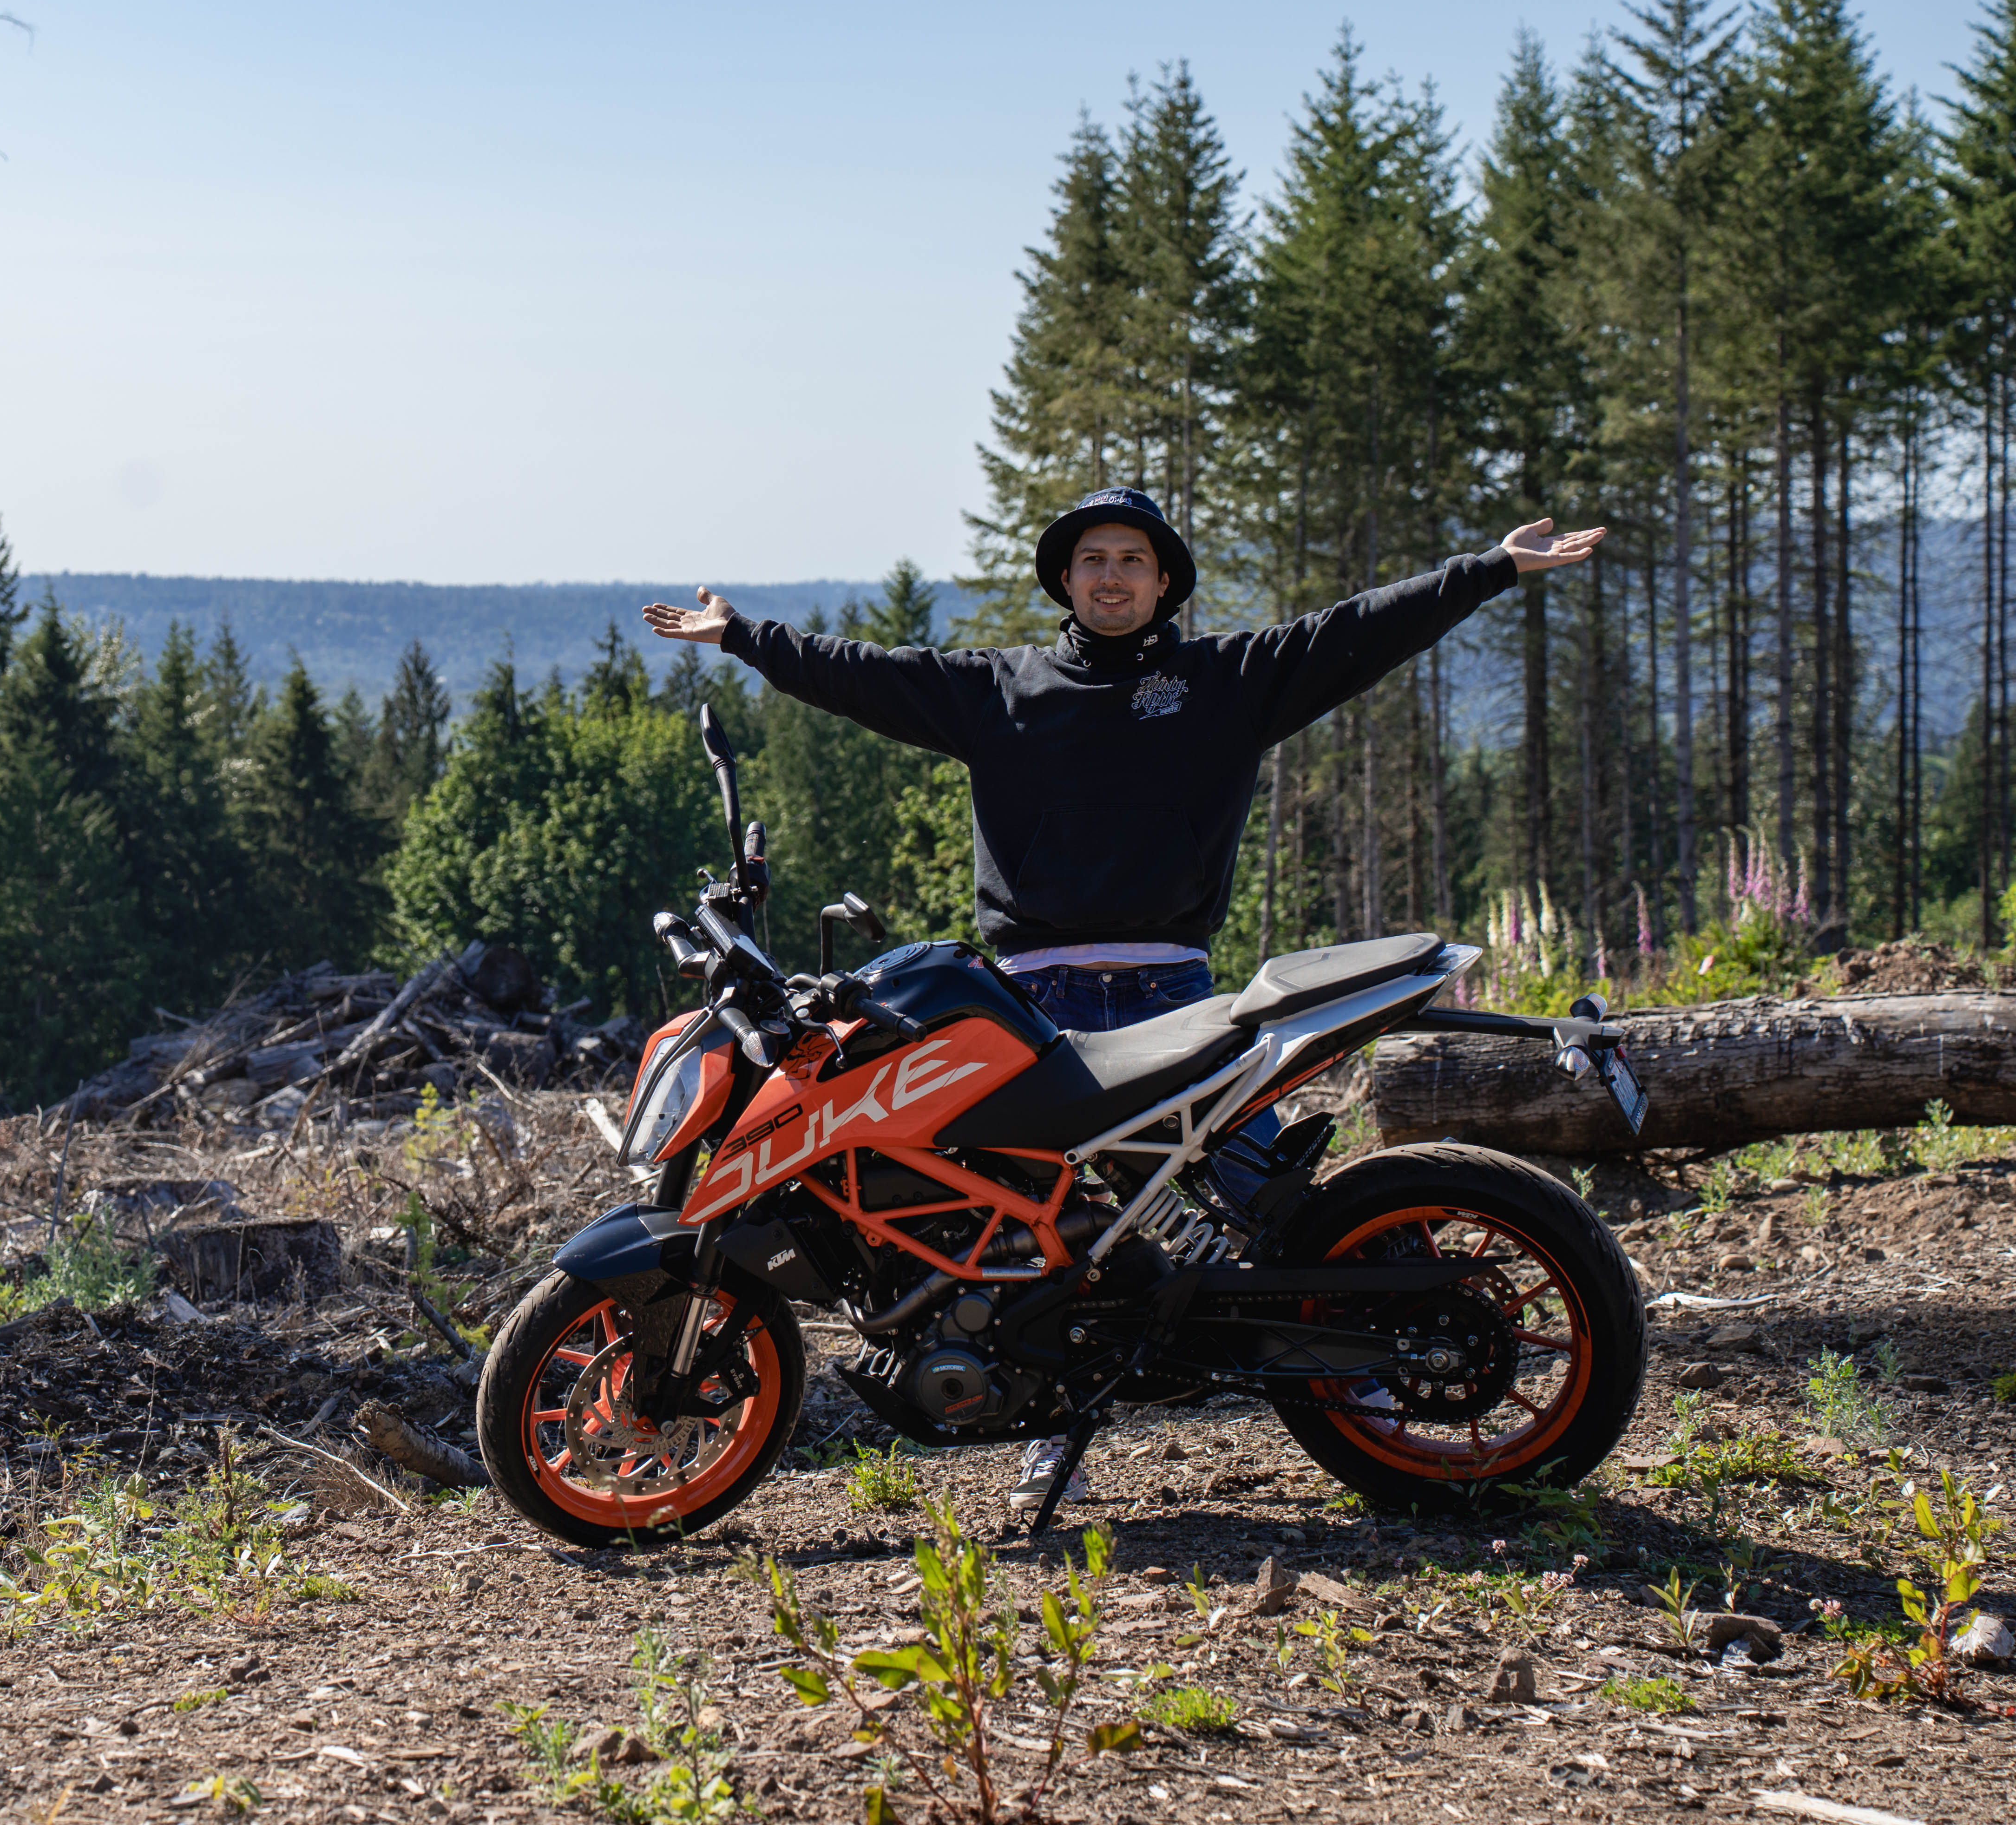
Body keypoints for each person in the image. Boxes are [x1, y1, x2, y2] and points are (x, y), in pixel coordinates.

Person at [644, 485, 1602, 1503]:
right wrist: (742, 635)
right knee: (1031, 1233)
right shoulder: (999, 687)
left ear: (1163, 581)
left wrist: (1490, 568)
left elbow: (1355, 634)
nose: (1112, 576)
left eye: (1132, 560)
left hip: (1176, 994)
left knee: (1265, 1199)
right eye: (1094, 558)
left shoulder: (1225, 681)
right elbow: (865, 674)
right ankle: (1047, 1422)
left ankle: (1374, 1387)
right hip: (1030, 1008)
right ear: (1066, 578)